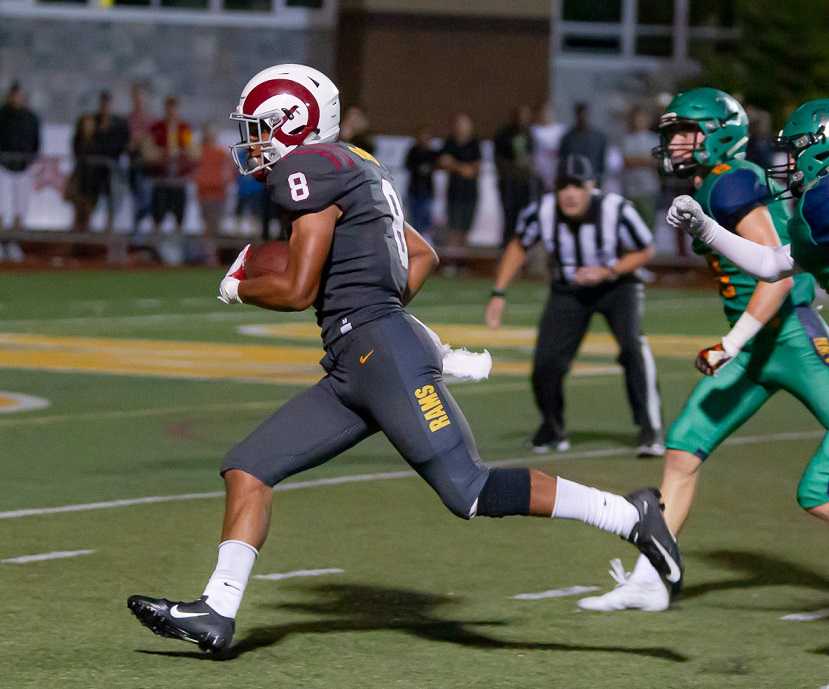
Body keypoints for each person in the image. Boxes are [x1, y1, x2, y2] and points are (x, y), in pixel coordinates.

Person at [126, 63, 682, 655]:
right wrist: (381, 317)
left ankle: (628, 514)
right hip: (357, 362)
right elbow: (420, 254)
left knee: (468, 491)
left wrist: (240, 285)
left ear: (291, 123)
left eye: (258, 129)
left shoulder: (308, 167)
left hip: (376, 355)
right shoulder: (356, 164)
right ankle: (217, 609)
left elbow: (297, 289)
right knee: (250, 466)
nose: (252, 143)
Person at [581, 89, 829, 613]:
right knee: (684, 445)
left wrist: (731, 342)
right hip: (758, 345)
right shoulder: (715, 186)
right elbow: (775, 262)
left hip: (789, 338)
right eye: (671, 133)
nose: (673, 143)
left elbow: (777, 276)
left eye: (685, 131)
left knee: (818, 491)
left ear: (719, 133)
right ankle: (652, 577)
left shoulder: (731, 180)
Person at [485, 154, 663, 457]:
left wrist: (607, 271)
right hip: (569, 290)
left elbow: (645, 250)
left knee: (633, 347)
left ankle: (650, 430)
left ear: (591, 186)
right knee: (545, 362)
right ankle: (552, 429)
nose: (569, 193)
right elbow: (519, 245)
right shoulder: (541, 211)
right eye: (562, 186)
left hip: (617, 285)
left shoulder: (615, 209)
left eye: (577, 186)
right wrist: (498, 292)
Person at [0, 81, 40, 262]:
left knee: (20, 209)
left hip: (23, 168)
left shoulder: (31, 118)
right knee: (1, 208)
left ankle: (12, 243)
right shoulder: (2, 115)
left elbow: (36, 142)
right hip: (3, 167)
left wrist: (30, 160)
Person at [145, 96, 194, 234]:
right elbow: (148, 150)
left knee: (179, 217)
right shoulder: (156, 128)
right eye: (168, 108)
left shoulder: (184, 129)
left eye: (174, 108)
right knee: (157, 217)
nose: (171, 111)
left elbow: (192, 150)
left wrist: (182, 153)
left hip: (178, 181)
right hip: (161, 180)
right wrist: (161, 154)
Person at [437, 112, 481, 257]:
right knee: (453, 229)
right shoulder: (450, 143)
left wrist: (454, 165)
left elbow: (474, 169)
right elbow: (443, 162)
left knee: (465, 230)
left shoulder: (474, 144)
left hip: (470, 193)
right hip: (454, 192)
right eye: (458, 124)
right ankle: (451, 262)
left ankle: (462, 262)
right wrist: (462, 168)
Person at [494, 105, 536, 246]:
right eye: (519, 115)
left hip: (525, 183)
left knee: (527, 217)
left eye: (524, 115)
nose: (521, 119)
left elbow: (533, 159)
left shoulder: (530, 134)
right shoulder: (503, 135)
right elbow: (499, 160)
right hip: (509, 183)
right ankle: (507, 246)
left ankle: (523, 246)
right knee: (509, 217)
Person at [193, 125, 234, 265]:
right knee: (208, 225)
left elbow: (229, 172)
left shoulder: (220, 153)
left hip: (217, 194)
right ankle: (209, 254)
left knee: (214, 225)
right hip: (205, 194)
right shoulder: (200, 152)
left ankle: (212, 254)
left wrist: (223, 183)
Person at [621, 106, 660, 230]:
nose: (640, 121)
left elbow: (656, 161)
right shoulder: (627, 139)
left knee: (649, 221)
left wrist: (636, 159)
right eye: (638, 118)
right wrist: (645, 159)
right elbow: (626, 160)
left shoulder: (654, 139)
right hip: (630, 187)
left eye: (643, 118)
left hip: (649, 187)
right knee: (632, 222)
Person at [404, 126, 437, 242]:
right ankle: (415, 241)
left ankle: (426, 241)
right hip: (414, 191)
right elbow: (408, 166)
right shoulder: (413, 151)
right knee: (414, 219)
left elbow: (438, 165)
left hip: (427, 191)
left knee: (426, 219)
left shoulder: (433, 153)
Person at [559, 102, 607, 182]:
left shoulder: (599, 137)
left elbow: (602, 162)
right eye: (580, 114)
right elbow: (563, 160)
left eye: (584, 114)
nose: (582, 117)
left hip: (593, 179)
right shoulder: (568, 138)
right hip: (573, 180)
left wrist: (599, 179)